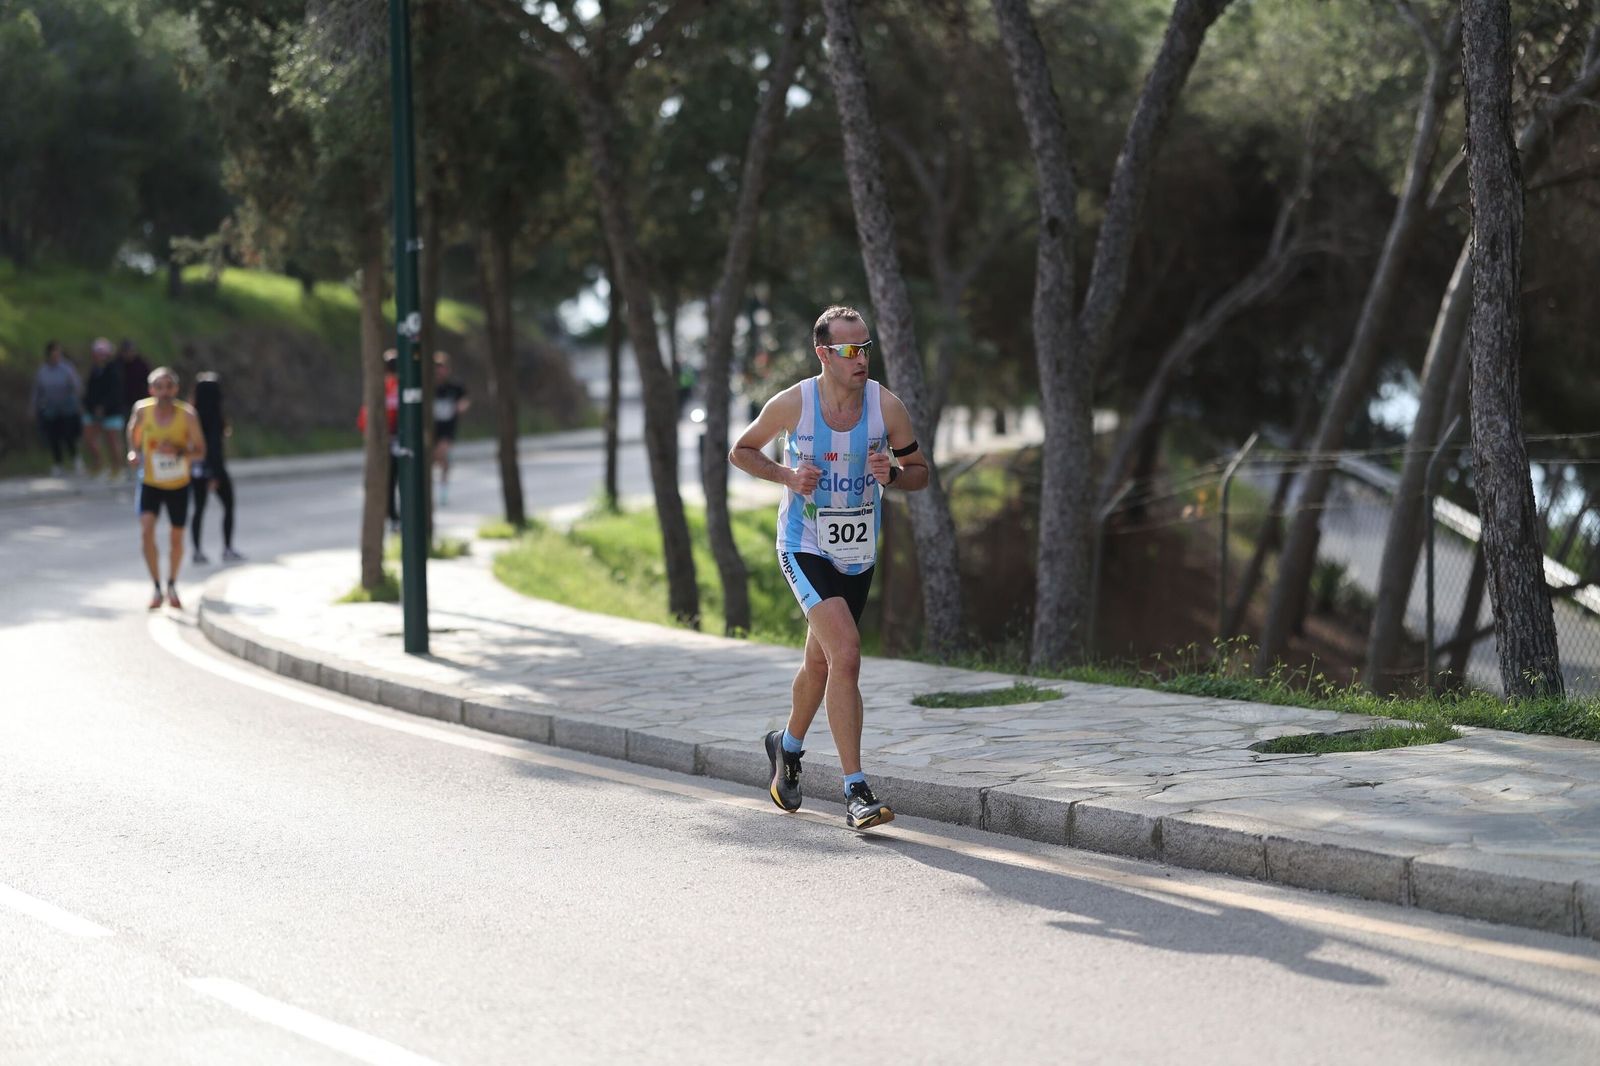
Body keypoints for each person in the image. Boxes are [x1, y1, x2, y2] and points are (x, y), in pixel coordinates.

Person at [729, 305, 931, 829]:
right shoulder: (794, 403)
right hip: (804, 544)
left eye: (865, 347)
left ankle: (786, 747)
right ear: (823, 354)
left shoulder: (885, 407)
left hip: (858, 553)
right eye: (848, 350)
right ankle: (855, 791)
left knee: (821, 663)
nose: (860, 358)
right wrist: (786, 475)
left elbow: (920, 473)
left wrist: (892, 476)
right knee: (847, 654)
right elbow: (741, 451)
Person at [127, 367, 205, 609]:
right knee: (146, 531)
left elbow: (201, 451)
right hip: (150, 482)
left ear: (176, 389)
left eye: (168, 386)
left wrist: (179, 452)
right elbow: (132, 432)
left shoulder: (187, 415)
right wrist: (133, 451)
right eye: (159, 387)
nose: (164, 392)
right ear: (151, 390)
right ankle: (156, 587)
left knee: (176, 538)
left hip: (178, 484)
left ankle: (172, 583)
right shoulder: (142, 410)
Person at [190, 372, 242, 565]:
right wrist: (214, 474)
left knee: (198, 509)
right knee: (228, 505)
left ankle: (197, 550)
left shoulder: (191, 416)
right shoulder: (213, 416)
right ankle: (227, 548)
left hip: (196, 469)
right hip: (213, 469)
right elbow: (213, 447)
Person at [357, 351, 401, 529]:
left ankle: (394, 515)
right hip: (387, 440)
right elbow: (366, 416)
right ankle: (392, 515)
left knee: (396, 479)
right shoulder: (383, 387)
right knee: (389, 479)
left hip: (396, 438)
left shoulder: (399, 387)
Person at [30, 341, 84, 476]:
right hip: (50, 409)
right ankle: (57, 463)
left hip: (67, 408)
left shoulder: (67, 368)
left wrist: (78, 402)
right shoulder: (43, 371)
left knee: (69, 435)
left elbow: (76, 386)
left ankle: (76, 459)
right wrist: (33, 407)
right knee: (53, 437)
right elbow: (37, 390)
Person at [81, 338, 126, 479]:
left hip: (112, 411)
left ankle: (118, 468)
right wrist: (89, 405)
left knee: (112, 440)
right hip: (93, 411)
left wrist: (104, 406)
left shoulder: (114, 370)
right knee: (90, 437)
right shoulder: (95, 370)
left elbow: (115, 392)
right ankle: (99, 464)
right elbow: (90, 391)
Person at [430, 350, 469, 506]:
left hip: (447, 428)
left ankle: (443, 490)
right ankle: (432, 490)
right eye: (437, 367)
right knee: (435, 459)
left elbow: (464, 399)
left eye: (442, 367)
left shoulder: (454, 387)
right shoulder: (428, 387)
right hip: (432, 428)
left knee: (442, 455)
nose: (439, 370)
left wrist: (462, 406)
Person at [117, 339, 150, 422]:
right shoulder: (117, 364)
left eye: (131, 351)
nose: (128, 354)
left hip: (139, 401)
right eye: (126, 351)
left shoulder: (142, 365)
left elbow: (147, 383)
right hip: (121, 403)